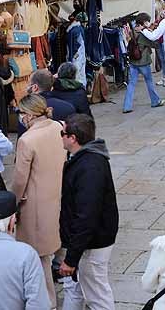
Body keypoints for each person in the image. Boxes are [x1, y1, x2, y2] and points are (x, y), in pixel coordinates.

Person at [59, 114, 119, 310]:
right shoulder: (83, 159)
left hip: (92, 243)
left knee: (97, 296)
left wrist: (71, 258)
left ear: (73, 138)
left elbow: (87, 216)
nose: (61, 137)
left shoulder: (89, 167)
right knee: (74, 289)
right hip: (85, 241)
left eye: (62, 133)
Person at [12, 95, 66, 309]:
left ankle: (48, 301)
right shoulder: (57, 127)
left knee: (38, 257)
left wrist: (12, 203)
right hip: (55, 195)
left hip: (33, 204)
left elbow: (19, 179)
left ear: (28, 115)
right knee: (51, 249)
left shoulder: (27, 140)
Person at [124, 13, 164, 113]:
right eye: (147, 21)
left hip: (133, 61)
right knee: (149, 81)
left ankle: (127, 106)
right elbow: (155, 44)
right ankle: (155, 101)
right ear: (144, 22)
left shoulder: (132, 31)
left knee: (131, 84)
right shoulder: (143, 34)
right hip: (143, 61)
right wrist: (151, 31)